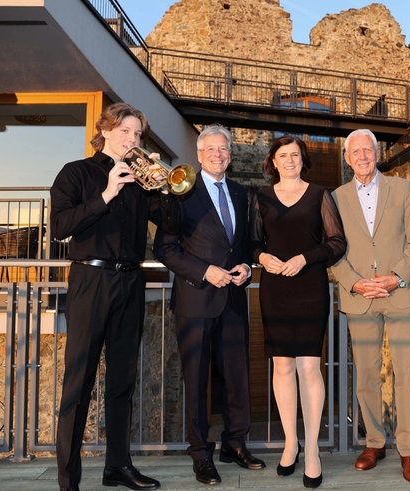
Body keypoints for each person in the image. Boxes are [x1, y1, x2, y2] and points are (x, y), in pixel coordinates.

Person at [51, 102, 182, 491]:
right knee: (79, 382)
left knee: (123, 379)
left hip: (130, 281)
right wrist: (107, 193)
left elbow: (172, 224)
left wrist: (164, 188)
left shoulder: (143, 182)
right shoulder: (76, 172)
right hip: (90, 280)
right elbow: (59, 226)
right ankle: (68, 479)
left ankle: (118, 467)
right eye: (125, 131)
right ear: (105, 130)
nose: (132, 139)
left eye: (138, 135)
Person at [153, 124, 266, 486]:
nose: (219, 155)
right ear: (200, 154)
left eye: (225, 149)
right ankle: (201, 454)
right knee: (197, 381)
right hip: (196, 300)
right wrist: (205, 272)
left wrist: (248, 265)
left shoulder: (238, 191)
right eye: (212, 149)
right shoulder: (181, 188)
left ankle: (235, 443)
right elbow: (165, 249)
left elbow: (246, 242)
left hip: (233, 298)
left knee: (237, 378)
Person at [330, 129, 410, 483]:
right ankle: (374, 441)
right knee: (367, 376)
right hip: (360, 297)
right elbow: (331, 248)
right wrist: (353, 281)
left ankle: (408, 450)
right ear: (347, 158)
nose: (362, 156)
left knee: (406, 373)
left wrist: (397, 277)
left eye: (367, 150)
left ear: (377, 153)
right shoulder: (336, 198)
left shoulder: (402, 189)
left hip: (399, 293)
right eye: (355, 151)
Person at [249, 135, 346, 489]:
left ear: (303, 160)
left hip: (310, 287)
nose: (289, 160)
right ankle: (291, 442)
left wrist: (306, 257)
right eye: (282, 155)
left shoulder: (321, 194)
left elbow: (337, 243)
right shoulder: (260, 198)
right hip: (275, 289)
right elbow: (253, 242)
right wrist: (262, 258)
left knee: (308, 366)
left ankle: (313, 451)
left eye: (295, 155)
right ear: (272, 161)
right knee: (281, 365)